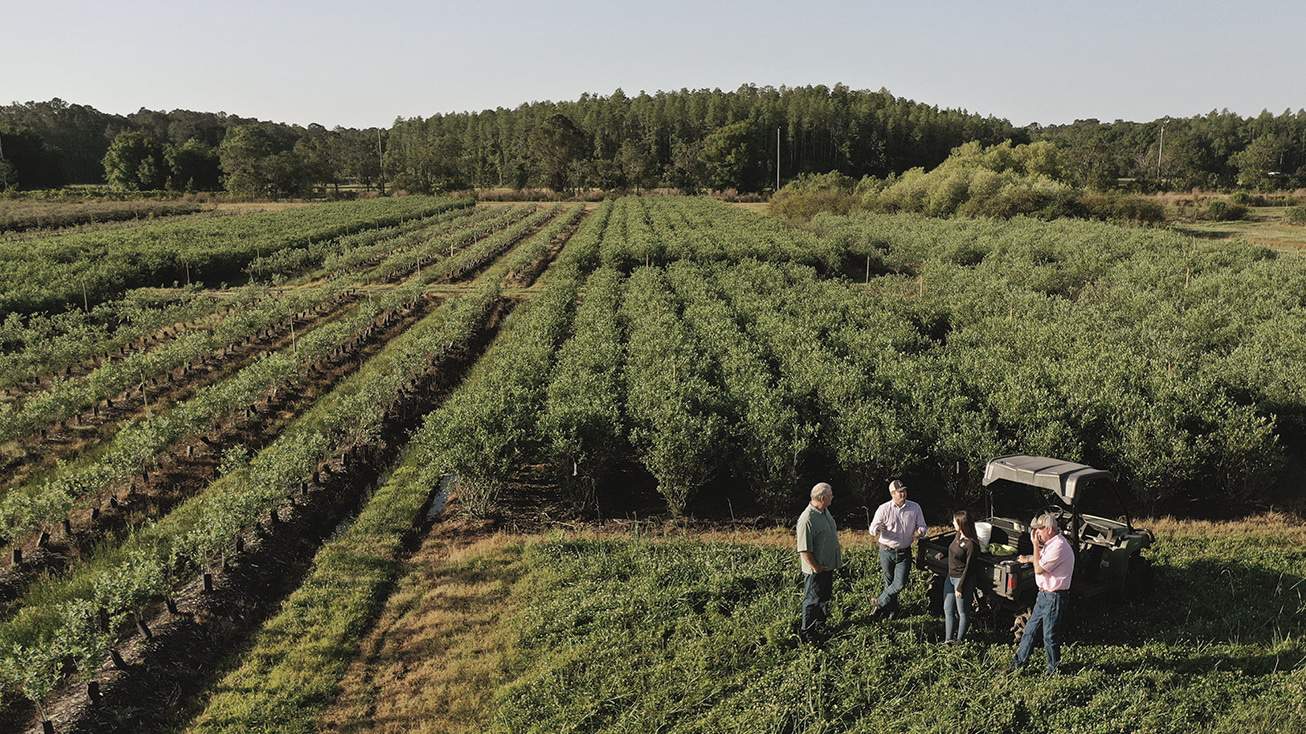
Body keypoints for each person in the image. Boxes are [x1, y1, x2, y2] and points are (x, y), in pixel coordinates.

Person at [1008, 512, 1075, 674]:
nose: (1037, 533)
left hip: (1054, 596)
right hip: (1043, 595)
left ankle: (1054, 669)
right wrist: (1029, 558)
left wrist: (1034, 546)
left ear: (1050, 529)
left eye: (1040, 529)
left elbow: (1039, 569)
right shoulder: (1051, 544)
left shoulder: (1059, 545)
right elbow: (1042, 560)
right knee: (1030, 630)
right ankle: (1018, 664)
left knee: (1049, 635)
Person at [869, 479, 927, 618]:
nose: (903, 494)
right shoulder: (883, 509)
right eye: (900, 492)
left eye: (904, 491)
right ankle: (892, 613)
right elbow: (872, 529)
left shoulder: (915, 507)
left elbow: (923, 526)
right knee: (889, 583)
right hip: (886, 550)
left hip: (904, 551)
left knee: (899, 584)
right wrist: (878, 529)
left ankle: (879, 603)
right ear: (892, 494)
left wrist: (920, 531)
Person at [796, 482, 841, 643]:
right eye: (830, 495)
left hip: (827, 566)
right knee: (812, 601)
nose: (832, 497)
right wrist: (816, 567)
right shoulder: (807, 519)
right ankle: (807, 632)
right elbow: (804, 550)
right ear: (822, 498)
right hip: (816, 569)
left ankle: (820, 626)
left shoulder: (824, 511)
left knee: (824, 598)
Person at [942, 510, 979, 643]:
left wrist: (960, 587)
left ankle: (959, 641)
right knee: (948, 609)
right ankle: (948, 640)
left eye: (954, 521)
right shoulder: (958, 535)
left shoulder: (971, 544)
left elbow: (969, 568)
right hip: (950, 577)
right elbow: (953, 550)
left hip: (962, 580)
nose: (952, 522)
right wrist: (944, 555)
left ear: (961, 524)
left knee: (962, 612)